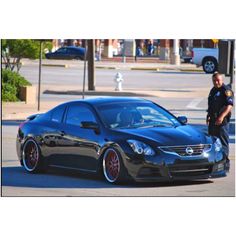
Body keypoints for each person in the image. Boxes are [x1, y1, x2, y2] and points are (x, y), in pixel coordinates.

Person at [206, 72, 234, 171]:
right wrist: (208, 116)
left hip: (222, 122)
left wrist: (221, 117)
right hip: (213, 121)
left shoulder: (226, 90)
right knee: (212, 143)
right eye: (214, 80)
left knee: (222, 143)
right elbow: (210, 105)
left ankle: (225, 165)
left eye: (218, 80)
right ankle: (214, 164)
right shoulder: (213, 90)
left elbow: (229, 105)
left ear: (222, 80)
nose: (216, 82)